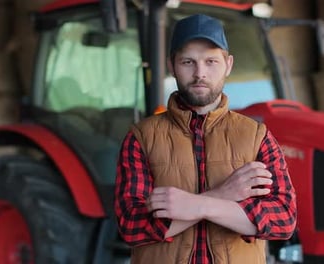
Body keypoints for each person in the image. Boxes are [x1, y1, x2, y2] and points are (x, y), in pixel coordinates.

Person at [114, 13, 296, 264]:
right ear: (171, 65)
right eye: (188, 62)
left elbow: (283, 218)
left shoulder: (257, 137)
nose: (200, 73)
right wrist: (224, 195)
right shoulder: (141, 138)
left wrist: (196, 206)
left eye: (211, 61)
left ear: (228, 65)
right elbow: (132, 225)